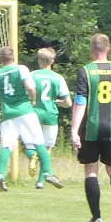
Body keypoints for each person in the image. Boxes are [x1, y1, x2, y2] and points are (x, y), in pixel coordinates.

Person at [71, 33, 111, 222]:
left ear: (92, 50)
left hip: (90, 128)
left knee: (91, 171)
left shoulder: (85, 71)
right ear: (108, 49)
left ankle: (97, 216)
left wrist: (74, 130)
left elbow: (80, 102)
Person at [0, 46, 63, 192]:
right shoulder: (21, 69)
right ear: (13, 57)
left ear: (0, 59)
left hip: (8, 114)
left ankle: (0, 174)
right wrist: (33, 100)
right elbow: (30, 87)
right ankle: (48, 172)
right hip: (25, 111)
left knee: (7, 146)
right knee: (39, 143)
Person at [26, 48, 72, 189]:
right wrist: (56, 101)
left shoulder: (31, 75)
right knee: (47, 150)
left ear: (39, 60)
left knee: (31, 145)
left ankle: (33, 155)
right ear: (52, 61)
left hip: (33, 114)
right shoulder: (58, 78)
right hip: (50, 115)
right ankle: (41, 181)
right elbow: (68, 102)